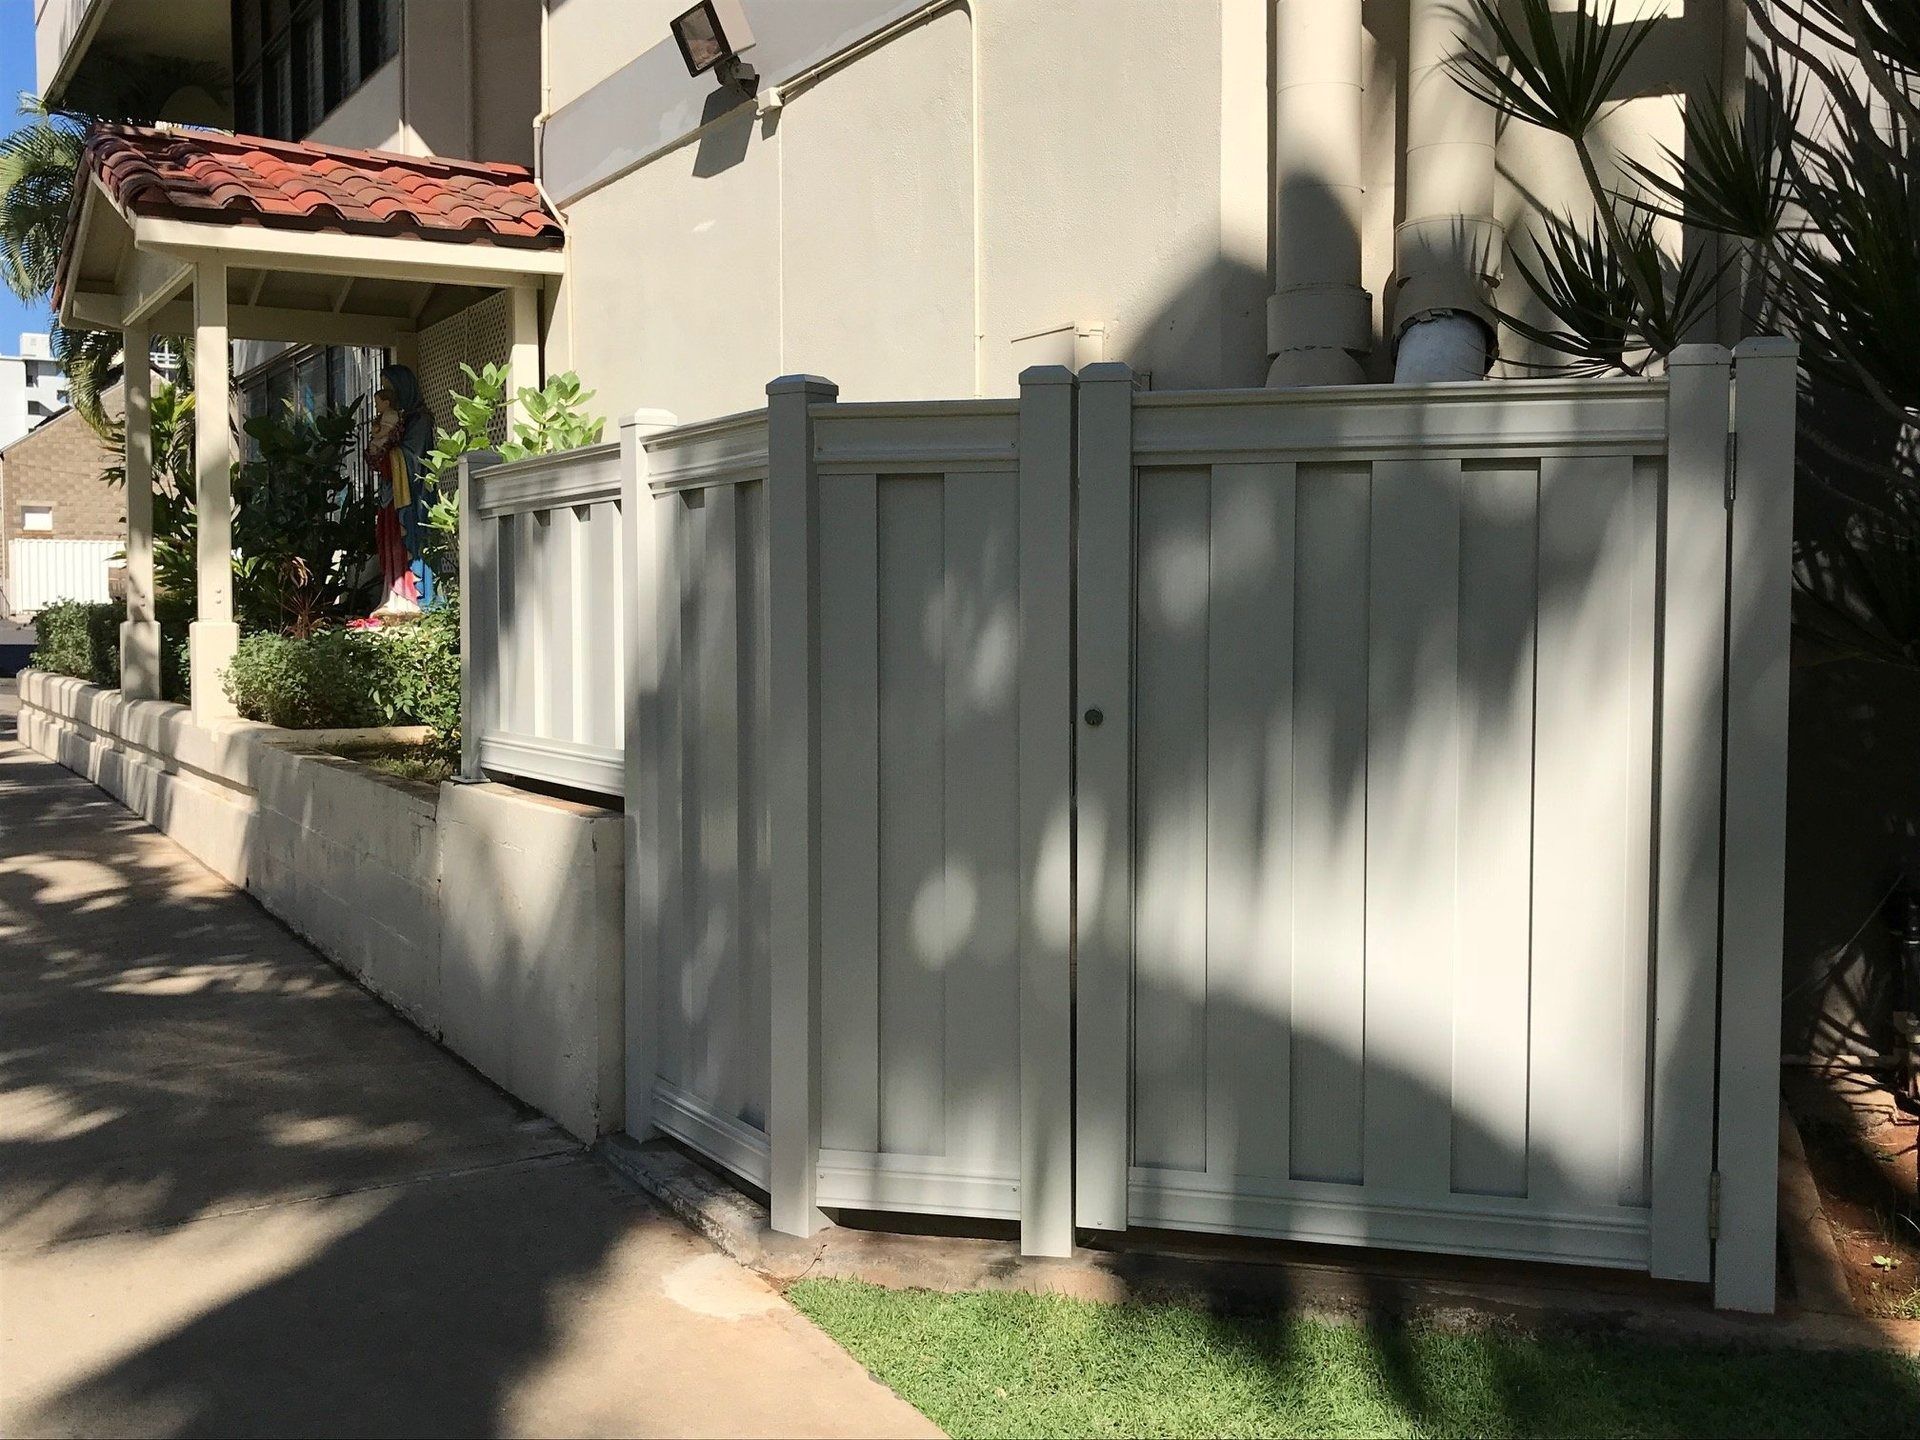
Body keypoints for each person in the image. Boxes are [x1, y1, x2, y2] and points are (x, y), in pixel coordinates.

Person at [361, 364, 436, 621]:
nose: (387, 395)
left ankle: (411, 596)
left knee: (406, 542)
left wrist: (388, 453)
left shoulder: (419, 420)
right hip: (392, 493)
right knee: (389, 541)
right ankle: (393, 595)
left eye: (390, 389)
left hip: (411, 497)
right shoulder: (398, 419)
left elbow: (413, 456)